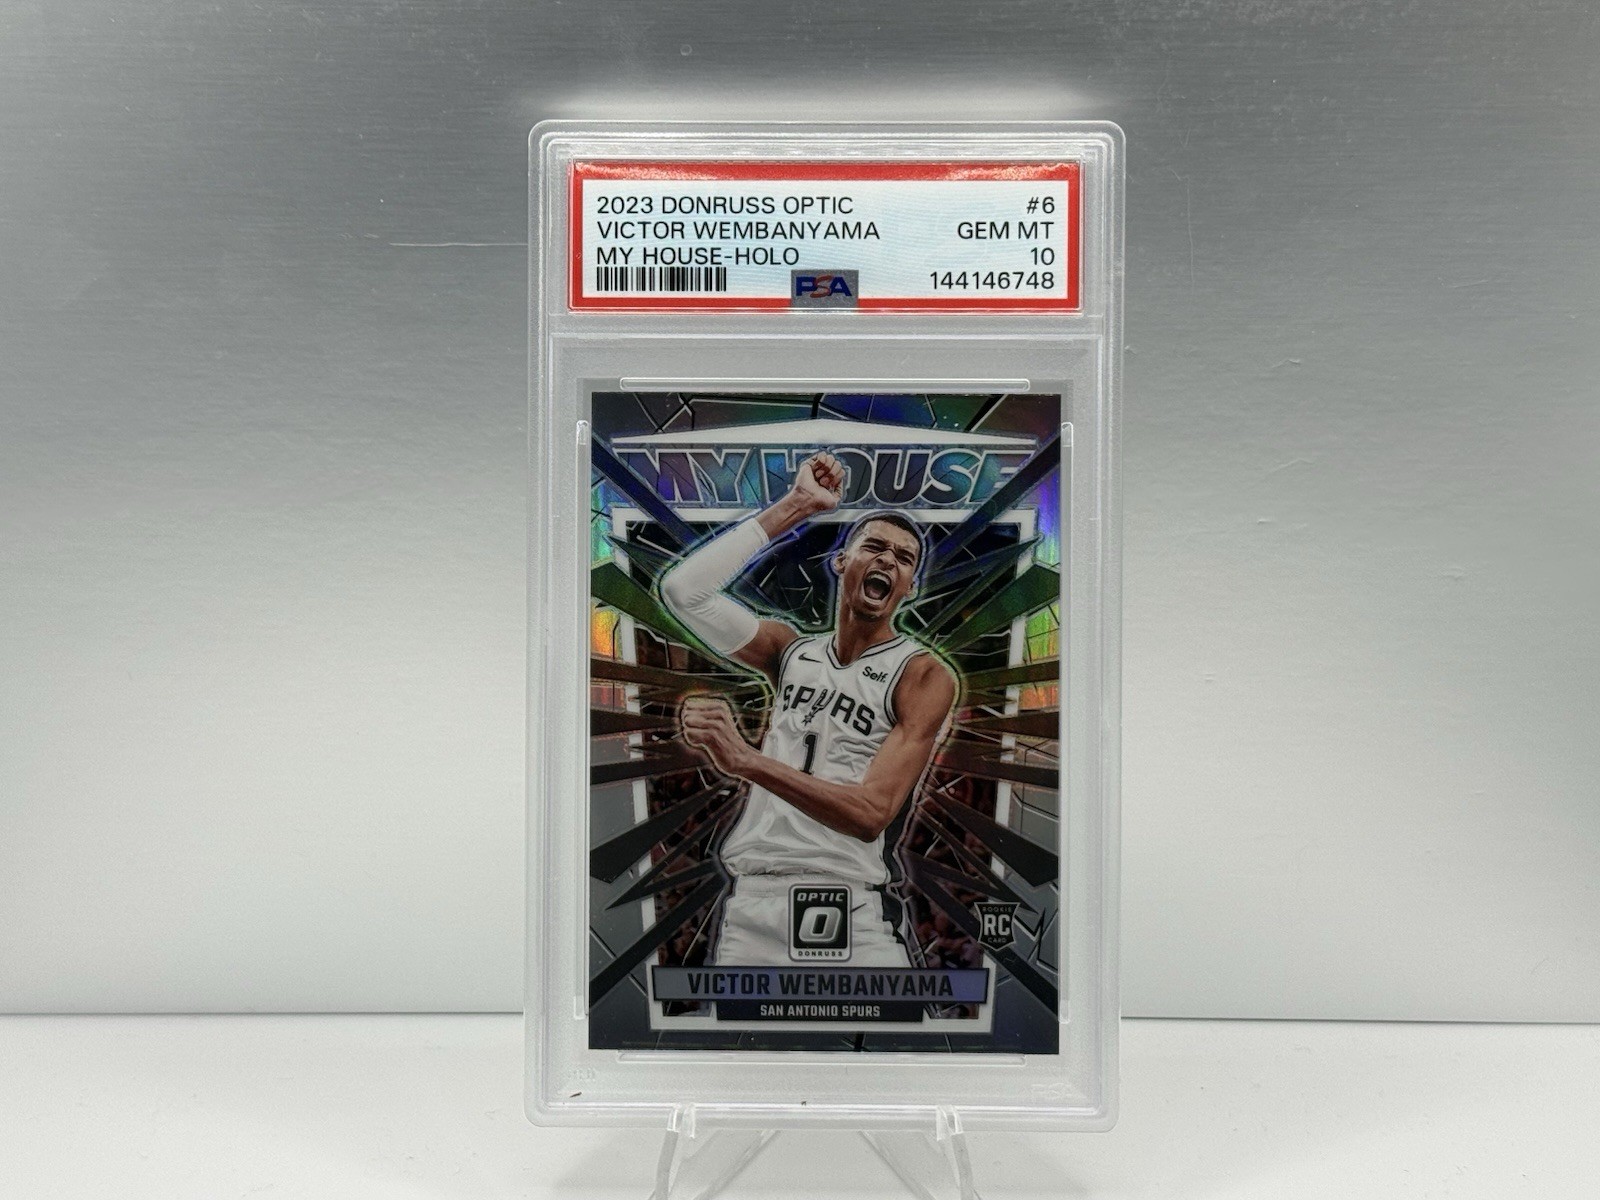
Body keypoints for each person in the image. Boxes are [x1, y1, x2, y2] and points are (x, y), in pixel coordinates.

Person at [659, 451, 957, 967]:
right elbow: (684, 592)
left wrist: (747, 761)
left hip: (852, 901)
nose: (888, 561)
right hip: (755, 903)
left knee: (890, 1024)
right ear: (841, 562)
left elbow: (871, 815)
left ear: (909, 587)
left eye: (905, 558)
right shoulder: (790, 651)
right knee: (734, 1025)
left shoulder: (923, 675)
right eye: (874, 547)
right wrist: (798, 504)